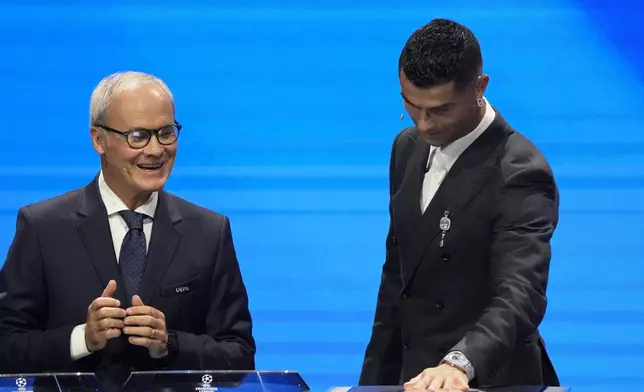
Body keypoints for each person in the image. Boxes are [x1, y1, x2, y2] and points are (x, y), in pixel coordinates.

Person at [0, 71, 256, 389]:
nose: (155, 150)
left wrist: (169, 344)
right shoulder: (43, 227)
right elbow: (6, 346)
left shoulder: (208, 232)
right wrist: (83, 338)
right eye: (138, 136)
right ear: (99, 140)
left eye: (166, 133)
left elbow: (240, 356)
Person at [359, 19, 560, 390]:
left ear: (479, 87)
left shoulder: (520, 171)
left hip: (486, 378)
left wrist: (460, 363)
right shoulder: (406, 148)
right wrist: (370, 383)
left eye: (440, 110)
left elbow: (521, 292)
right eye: (412, 106)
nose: (424, 125)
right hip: (416, 380)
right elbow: (396, 282)